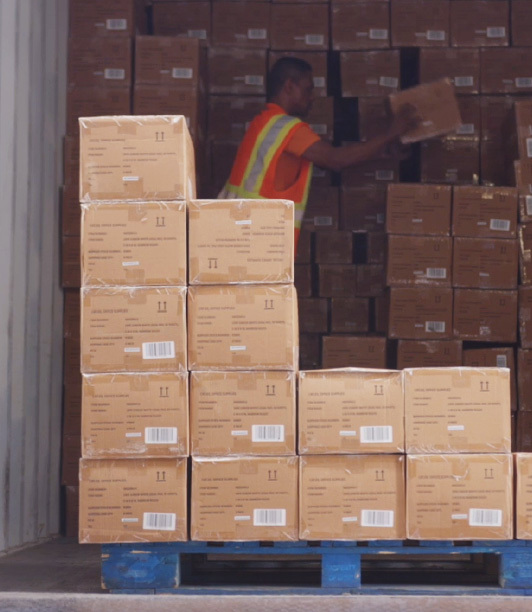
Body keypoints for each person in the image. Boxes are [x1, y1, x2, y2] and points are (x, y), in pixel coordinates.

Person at [220, 57, 419, 252]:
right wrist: (391, 133)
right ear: (289, 87)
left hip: (240, 233)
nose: (313, 96)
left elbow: (329, 159)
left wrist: (382, 153)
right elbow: (335, 159)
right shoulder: (285, 128)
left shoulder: (266, 123)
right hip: (252, 238)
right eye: (308, 89)